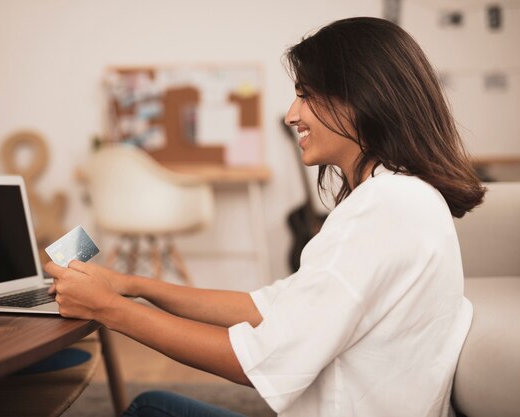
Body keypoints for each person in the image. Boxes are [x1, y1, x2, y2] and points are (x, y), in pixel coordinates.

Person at [45, 17, 485, 417]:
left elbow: (250, 361)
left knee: (151, 409)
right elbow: (265, 309)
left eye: (305, 96)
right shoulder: (400, 198)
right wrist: (130, 285)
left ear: (360, 98)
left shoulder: (385, 209)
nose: (293, 115)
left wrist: (108, 309)